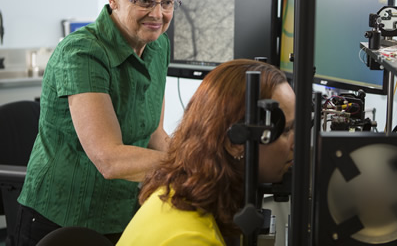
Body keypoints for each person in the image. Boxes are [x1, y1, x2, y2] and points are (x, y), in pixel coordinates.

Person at [14, 0, 179, 245]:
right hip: (63, 220)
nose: (158, 14)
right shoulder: (82, 53)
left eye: (167, 2)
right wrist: (192, 163)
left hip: (126, 213)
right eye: (145, 1)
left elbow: (154, 134)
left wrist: (199, 166)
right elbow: (109, 159)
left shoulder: (158, 45)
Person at [116, 59, 295, 246]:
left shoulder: (175, 193)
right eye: (286, 131)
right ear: (235, 144)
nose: (294, 143)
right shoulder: (192, 239)